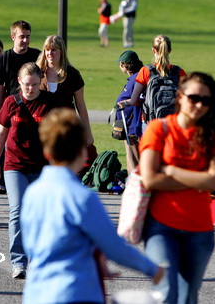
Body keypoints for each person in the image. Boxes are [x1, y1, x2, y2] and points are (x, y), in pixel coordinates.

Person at [21, 108, 163, 303]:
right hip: (75, 291)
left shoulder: (32, 192)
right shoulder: (81, 197)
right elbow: (115, 247)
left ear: (46, 151)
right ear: (82, 150)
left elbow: (34, 244)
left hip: (37, 292)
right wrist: (154, 269)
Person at [140, 72, 215, 303]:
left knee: (187, 298)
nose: (199, 105)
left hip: (199, 232)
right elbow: (150, 178)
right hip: (161, 228)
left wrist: (170, 171)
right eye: (193, 98)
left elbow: (214, 181)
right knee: (166, 294)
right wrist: (197, 180)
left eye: (206, 100)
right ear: (180, 97)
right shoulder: (158, 129)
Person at [0, 62, 58, 279]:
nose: (30, 89)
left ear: (41, 84)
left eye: (35, 85)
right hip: (14, 166)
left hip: (41, 167)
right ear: (19, 82)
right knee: (18, 211)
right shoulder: (11, 102)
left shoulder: (48, 103)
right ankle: (19, 262)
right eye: (27, 84)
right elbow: (1, 133)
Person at [0, 20, 42, 194]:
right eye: (22, 37)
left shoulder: (37, 56)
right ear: (13, 37)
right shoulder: (3, 59)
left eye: (28, 37)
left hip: (35, 109)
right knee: (8, 145)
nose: (25, 41)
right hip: (12, 109)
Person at [36, 35, 94, 146]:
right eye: (47, 50)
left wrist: (88, 132)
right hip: (42, 128)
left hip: (66, 128)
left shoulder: (72, 74)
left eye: (54, 50)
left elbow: (80, 105)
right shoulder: (37, 72)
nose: (50, 53)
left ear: (61, 51)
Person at [121, 34, 186, 126]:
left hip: (151, 121)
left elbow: (134, 100)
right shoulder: (179, 72)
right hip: (174, 122)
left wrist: (126, 102)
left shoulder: (146, 71)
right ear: (170, 51)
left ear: (153, 50)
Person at [113, 50, 144, 172]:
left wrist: (124, 103)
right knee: (129, 152)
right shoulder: (134, 77)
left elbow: (138, 98)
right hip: (128, 122)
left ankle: (138, 179)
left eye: (120, 64)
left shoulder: (136, 78)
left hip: (132, 121)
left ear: (125, 65)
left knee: (135, 153)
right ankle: (131, 179)